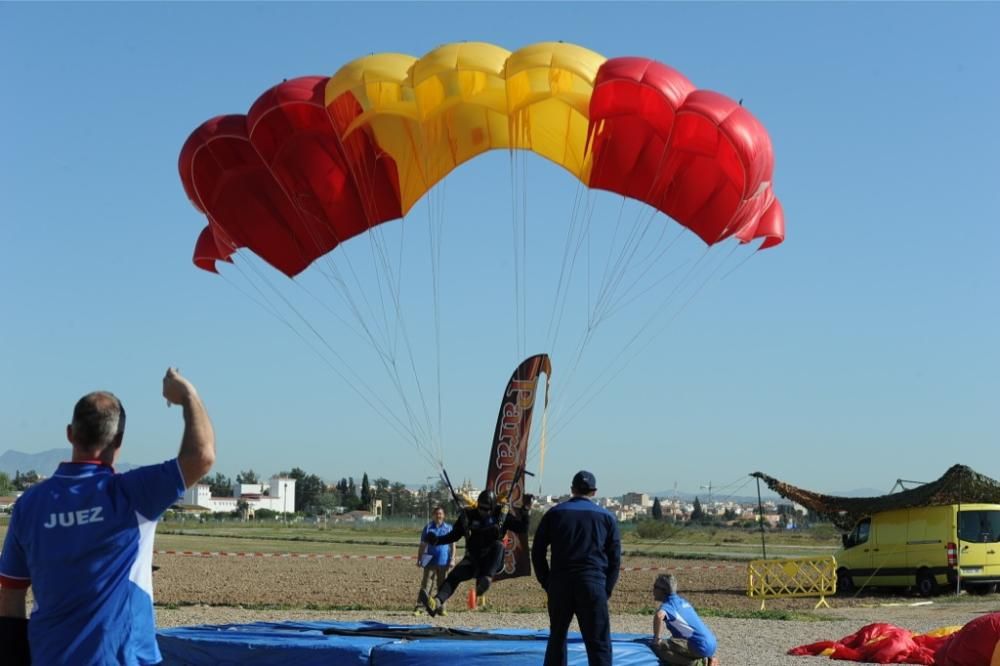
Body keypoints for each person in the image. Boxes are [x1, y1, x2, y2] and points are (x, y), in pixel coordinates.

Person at [0, 368, 215, 665]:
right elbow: (202, 456)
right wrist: (187, 395)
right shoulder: (133, 494)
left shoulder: (30, 504)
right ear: (119, 441)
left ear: (70, 434)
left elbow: (10, 596)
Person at [532, 470, 621, 666]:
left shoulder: (554, 513)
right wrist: (606, 588)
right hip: (592, 583)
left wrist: (547, 581)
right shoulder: (606, 517)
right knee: (598, 642)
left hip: (560, 583)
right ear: (594, 492)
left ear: (572, 489)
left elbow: (537, 551)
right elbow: (615, 559)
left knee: (557, 638)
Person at [419, 488, 532, 616]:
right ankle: (436, 602)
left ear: (493, 507)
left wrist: (525, 511)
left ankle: (486, 579)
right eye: (481, 508)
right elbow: (454, 536)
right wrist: (437, 540)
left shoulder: (501, 514)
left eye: (486, 509)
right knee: (453, 576)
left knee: (498, 545)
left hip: (492, 562)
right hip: (474, 560)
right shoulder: (469, 516)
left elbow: (522, 528)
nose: (483, 512)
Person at [651, 573, 719, 666]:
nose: (653, 590)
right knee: (672, 641)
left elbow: (659, 616)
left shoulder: (668, 606)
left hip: (699, 646)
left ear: (663, 590)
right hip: (711, 643)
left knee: (660, 649)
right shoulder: (682, 602)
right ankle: (709, 657)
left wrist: (657, 638)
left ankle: (699, 663)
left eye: (655, 587)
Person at [414, 505, 455, 615]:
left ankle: (441, 608)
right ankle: (420, 608)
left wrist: (452, 559)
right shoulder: (427, 528)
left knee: (442, 586)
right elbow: (422, 545)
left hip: (444, 562)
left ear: (444, 515)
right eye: (437, 514)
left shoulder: (449, 528)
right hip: (430, 562)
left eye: (440, 514)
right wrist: (419, 559)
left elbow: (452, 545)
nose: (439, 516)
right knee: (426, 585)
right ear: (433, 515)